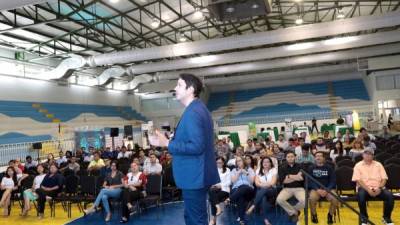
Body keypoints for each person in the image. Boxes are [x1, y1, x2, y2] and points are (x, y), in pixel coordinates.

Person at [150, 73, 220, 225]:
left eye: (179, 85)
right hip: (197, 174)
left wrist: (168, 144)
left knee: (195, 220)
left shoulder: (193, 112)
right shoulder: (198, 108)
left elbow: (197, 146)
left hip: (195, 176)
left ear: (191, 89)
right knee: (192, 218)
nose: (175, 88)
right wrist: (166, 141)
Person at [352, 149, 395, 225]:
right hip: (364, 188)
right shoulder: (358, 165)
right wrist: (368, 190)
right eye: (366, 154)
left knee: (390, 196)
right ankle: (365, 219)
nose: (368, 155)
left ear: (373, 156)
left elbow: (384, 178)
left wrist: (380, 188)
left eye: (370, 154)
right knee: (361, 196)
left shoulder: (378, 164)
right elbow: (358, 180)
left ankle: (386, 218)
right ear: (363, 155)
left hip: (379, 187)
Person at [308, 152, 338, 224]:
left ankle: (330, 215)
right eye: (316, 156)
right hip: (316, 189)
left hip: (328, 189)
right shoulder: (311, 168)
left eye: (320, 156)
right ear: (315, 158)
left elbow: (333, 181)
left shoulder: (329, 168)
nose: (318, 157)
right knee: (311, 199)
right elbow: (310, 181)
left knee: (335, 199)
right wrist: (317, 189)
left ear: (323, 158)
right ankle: (314, 215)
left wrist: (327, 190)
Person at [246, 157, 277, 225]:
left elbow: (273, 183)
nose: (265, 163)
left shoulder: (273, 170)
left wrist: (263, 185)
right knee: (263, 198)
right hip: (261, 191)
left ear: (270, 163)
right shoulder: (258, 171)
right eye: (264, 162)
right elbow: (256, 183)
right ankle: (266, 220)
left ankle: (253, 205)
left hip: (272, 190)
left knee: (263, 190)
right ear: (262, 163)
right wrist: (265, 185)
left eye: (267, 162)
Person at [276, 151, 305, 223]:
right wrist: (296, 177)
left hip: (299, 188)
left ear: (295, 157)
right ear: (286, 158)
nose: (290, 158)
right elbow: (283, 181)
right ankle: (294, 213)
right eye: (288, 157)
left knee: (304, 201)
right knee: (279, 199)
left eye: (292, 156)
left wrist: (289, 176)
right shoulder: (282, 167)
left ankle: (293, 211)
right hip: (287, 189)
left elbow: (301, 178)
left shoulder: (300, 166)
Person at [230, 156, 255, 224]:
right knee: (240, 197)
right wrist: (238, 173)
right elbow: (233, 181)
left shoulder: (249, 169)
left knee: (244, 186)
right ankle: (242, 219)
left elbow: (252, 182)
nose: (238, 162)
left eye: (240, 160)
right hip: (236, 189)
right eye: (237, 161)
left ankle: (230, 199)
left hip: (248, 190)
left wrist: (246, 173)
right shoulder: (234, 170)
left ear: (243, 161)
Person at [208, 157, 231, 225]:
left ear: (223, 163)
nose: (218, 164)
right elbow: (211, 181)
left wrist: (221, 185)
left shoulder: (227, 170)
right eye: (217, 163)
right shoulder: (213, 170)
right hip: (215, 189)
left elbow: (229, 182)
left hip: (225, 190)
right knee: (212, 191)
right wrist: (213, 185)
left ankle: (213, 219)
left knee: (212, 198)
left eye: (220, 163)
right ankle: (218, 208)